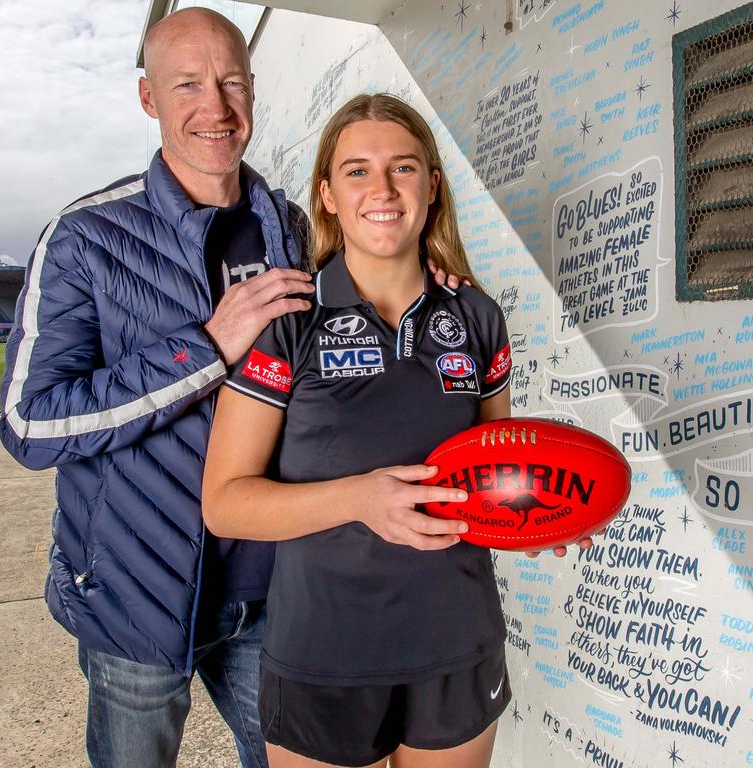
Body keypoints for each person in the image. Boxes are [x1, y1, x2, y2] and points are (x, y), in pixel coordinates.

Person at [203, 94, 579, 768]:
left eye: (403, 168)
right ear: (326, 195)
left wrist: (545, 515)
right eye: (356, 171)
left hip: (456, 646)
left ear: (432, 187)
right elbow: (226, 503)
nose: (382, 189)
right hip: (323, 655)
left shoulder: (476, 316)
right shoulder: (288, 320)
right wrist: (358, 499)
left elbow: (496, 477)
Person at [0, 9, 317, 767]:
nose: (216, 107)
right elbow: (29, 424)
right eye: (187, 85)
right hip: (137, 597)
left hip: (270, 589)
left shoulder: (294, 228)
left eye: (232, 82)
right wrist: (205, 347)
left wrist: (431, 284)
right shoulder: (85, 237)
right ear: (149, 99)